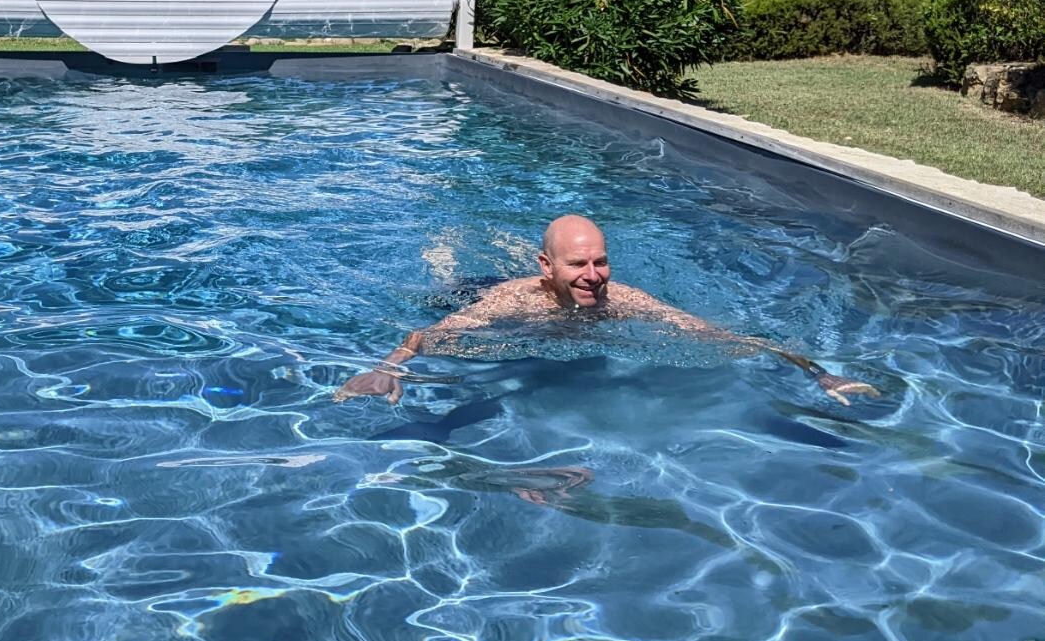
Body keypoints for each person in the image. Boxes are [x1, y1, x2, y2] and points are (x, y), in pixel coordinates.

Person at [335, 214, 880, 407]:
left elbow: (718, 335)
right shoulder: (511, 302)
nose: (594, 275)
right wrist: (386, 370)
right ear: (548, 267)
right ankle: (446, 254)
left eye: (600, 262)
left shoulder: (624, 301)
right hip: (481, 291)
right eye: (578, 264)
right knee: (442, 289)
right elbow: (426, 333)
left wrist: (818, 372)